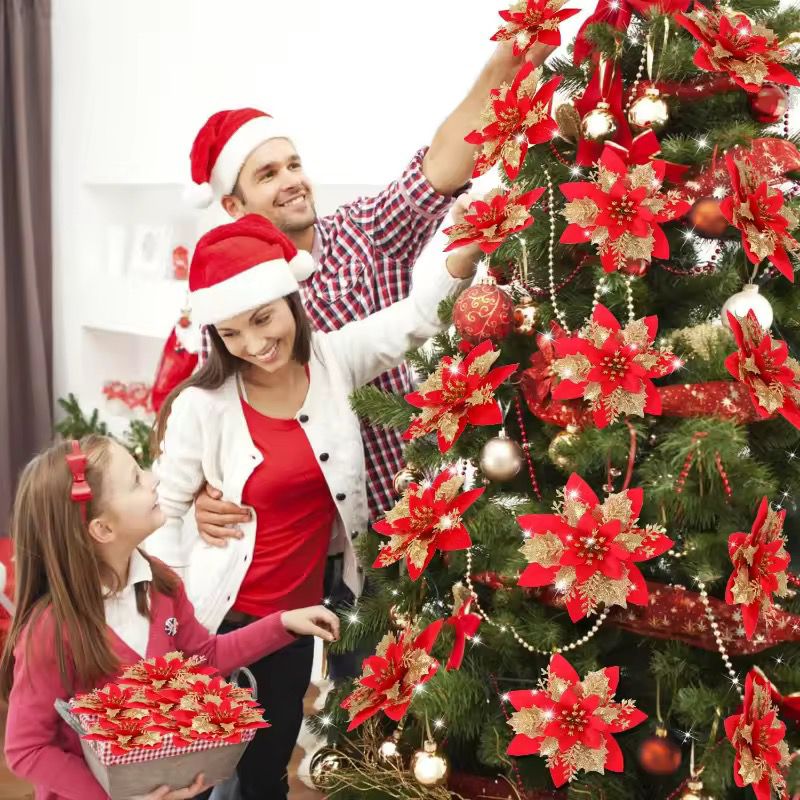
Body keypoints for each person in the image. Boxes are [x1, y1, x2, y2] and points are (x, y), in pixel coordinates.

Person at [145, 213, 480, 799]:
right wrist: (169, 629)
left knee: (264, 777)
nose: (253, 344)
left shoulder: (334, 360)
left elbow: (416, 319)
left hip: (291, 628)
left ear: (288, 298)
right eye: (231, 333)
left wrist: (465, 253)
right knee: (196, 779)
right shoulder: (205, 405)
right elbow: (164, 513)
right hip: (217, 622)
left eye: (262, 318)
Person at [187, 39, 556, 540]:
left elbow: (440, 167)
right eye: (268, 175)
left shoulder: (364, 233)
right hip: (326, 550)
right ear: (234, 206)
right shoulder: (229, 301)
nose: (293, 181)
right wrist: (198, 502)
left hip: (425, 504)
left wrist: (499, 70)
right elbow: (200, 412)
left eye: (294, 164)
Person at [0, 435, 339, 800]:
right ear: (102, 529)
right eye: (135, 479)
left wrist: (282, 623)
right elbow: (27, 749)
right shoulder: (49, 630)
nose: (154, 479)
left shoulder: (162, 585)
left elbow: (203, 658)